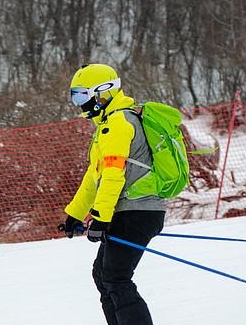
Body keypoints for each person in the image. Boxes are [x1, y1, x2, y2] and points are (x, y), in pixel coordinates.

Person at [62, 64, 165, 325]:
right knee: (103, 275)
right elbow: (93, 176)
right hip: (130, 211)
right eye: (76, 97)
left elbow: (113, 176)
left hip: (137, 211)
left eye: (83, 96)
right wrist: (74, 214)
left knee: (116, 277)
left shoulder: (118, 124)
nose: (79, 104)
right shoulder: (107, 125)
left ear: (102, 93)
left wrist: (100, 218)